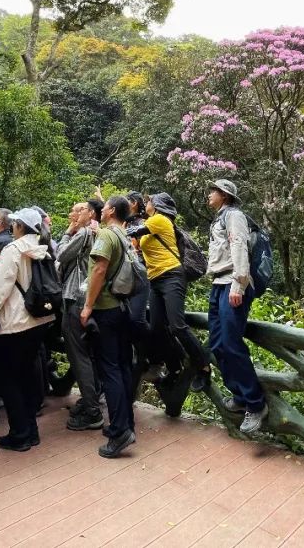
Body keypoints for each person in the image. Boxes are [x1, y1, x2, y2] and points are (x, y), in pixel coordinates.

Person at [0, 208, 54, 451]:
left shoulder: (13, 250)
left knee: (8, 378)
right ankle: (31, 431)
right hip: (40, 318)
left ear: (19, 226)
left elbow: (1, 287)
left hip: (16, 321)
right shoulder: (45, 248)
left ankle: (20, 434)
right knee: (25, 375)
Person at [130, 192, 212, 391]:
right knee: (157, 328)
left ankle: (204, 366)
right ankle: (175, 366)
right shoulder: (151, 225)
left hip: (172, 276)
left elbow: (132, 230)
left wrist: (113, 226)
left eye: (149, 201)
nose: (146, 204)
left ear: (156, 205)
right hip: (155, 280)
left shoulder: (160, 219)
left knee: (177, 325)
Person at [205, 178, 267, 434]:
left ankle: (255, 403)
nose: (209, 194)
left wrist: (239, 285)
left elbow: (239, 246)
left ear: (225, 195)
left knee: (231, 343)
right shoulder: (219, 218)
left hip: (233, 282)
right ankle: (240, 395)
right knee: (218, 343)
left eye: (214, 191)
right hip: (218, 283)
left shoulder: (234, 216)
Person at [80, 196, 137, 458]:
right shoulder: (125, 236)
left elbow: (99, 270)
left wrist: (88, 306)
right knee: (123, 367)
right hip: (124, 307)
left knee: (110, 370)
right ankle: (127, 423)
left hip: (105, 308)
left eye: (104, 207)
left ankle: (119, 431)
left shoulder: (106, 235)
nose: (100, 210)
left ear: (112, 211)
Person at [57, 198, 104, 431]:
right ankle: (90, 400)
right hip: (88, 298)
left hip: (75, 297)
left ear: (92, 214)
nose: (75, 214)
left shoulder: (85, 234)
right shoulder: (96, 233)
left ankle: (92, 410)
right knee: (88, 353)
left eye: (81, 210)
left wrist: (68, 232)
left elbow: (61, 254)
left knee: (78, 354)